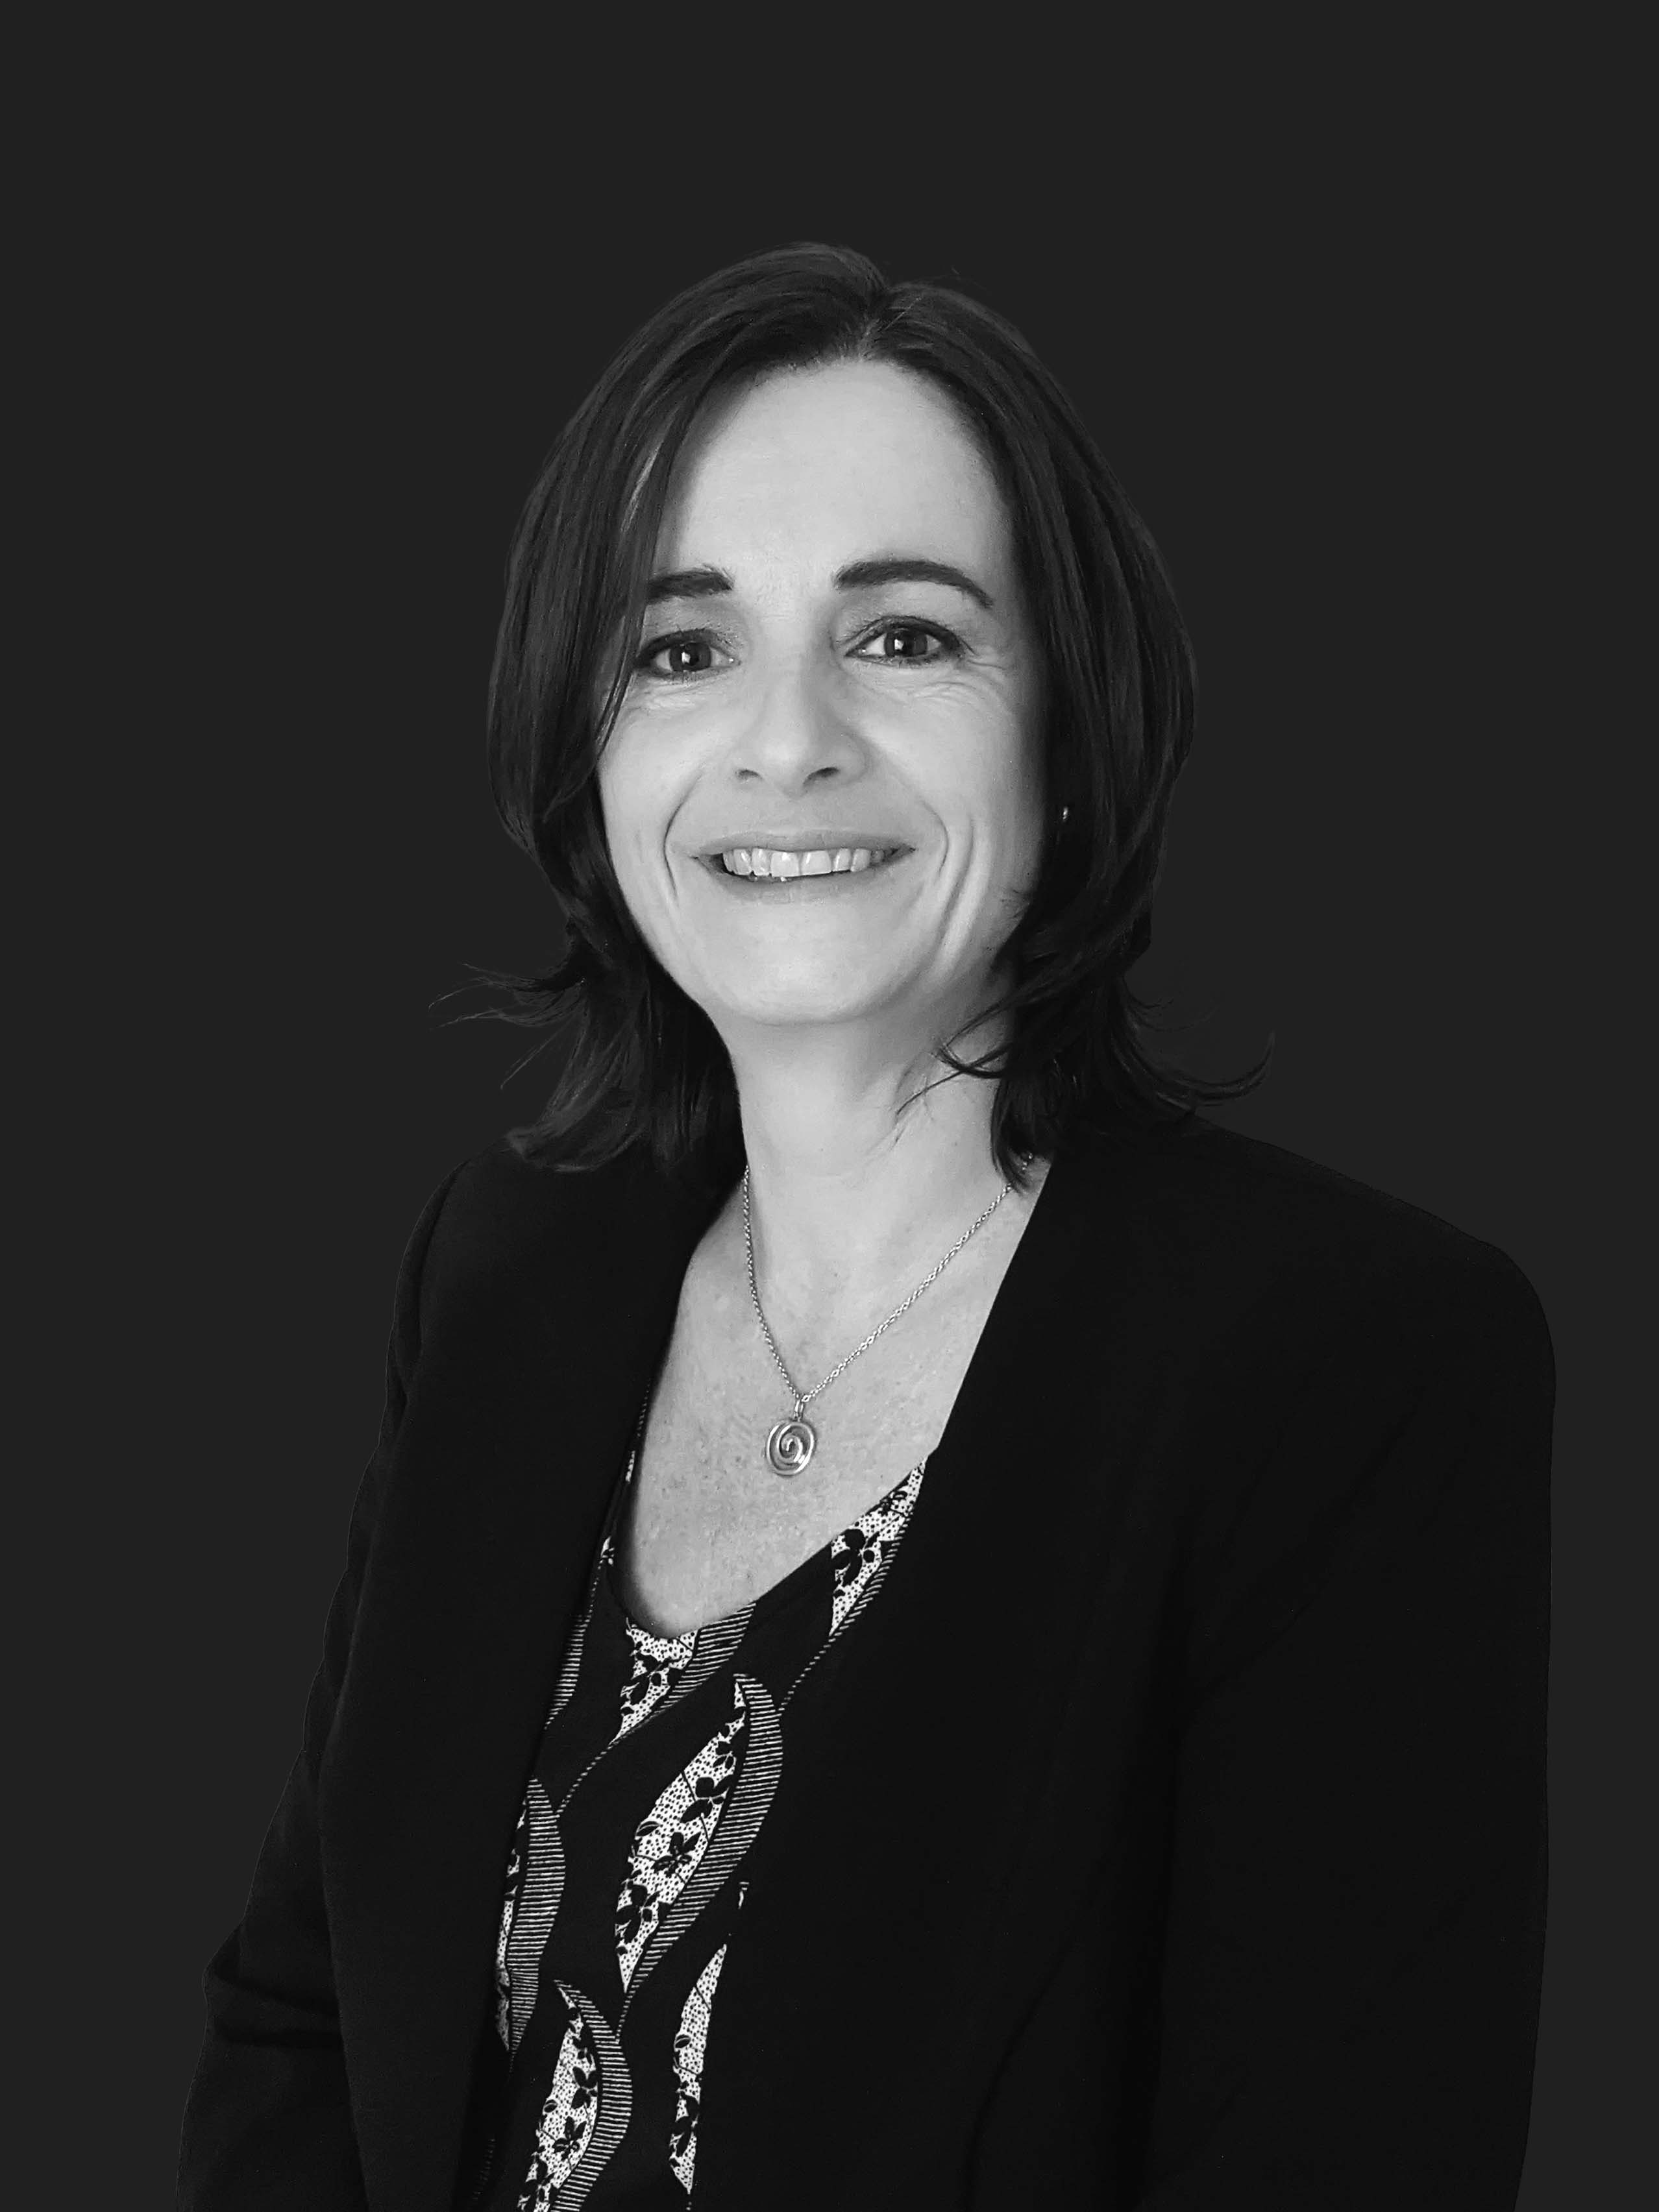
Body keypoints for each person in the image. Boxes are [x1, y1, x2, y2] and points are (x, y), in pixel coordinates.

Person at [177, 244, 1553, 2211]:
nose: (787, 738)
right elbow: (303, 2027)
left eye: (903, 636)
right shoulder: (509, 1266)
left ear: (1067, 730)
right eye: (682, 648)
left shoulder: (1351, 1364)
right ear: (591, 751)